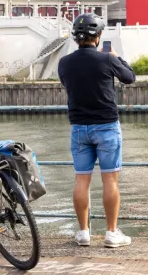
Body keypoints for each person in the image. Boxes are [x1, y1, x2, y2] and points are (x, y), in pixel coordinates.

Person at [58, 13, 136, 248]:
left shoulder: (64, 63)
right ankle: (111, 233)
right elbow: (129, 78)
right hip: (106, 126)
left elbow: (67, 84)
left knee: (81, 179)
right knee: (110, 180)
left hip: (79, 128)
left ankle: (83, 232)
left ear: (75, 37)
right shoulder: (107, 59)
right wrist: (116, 57)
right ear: (98, 36)